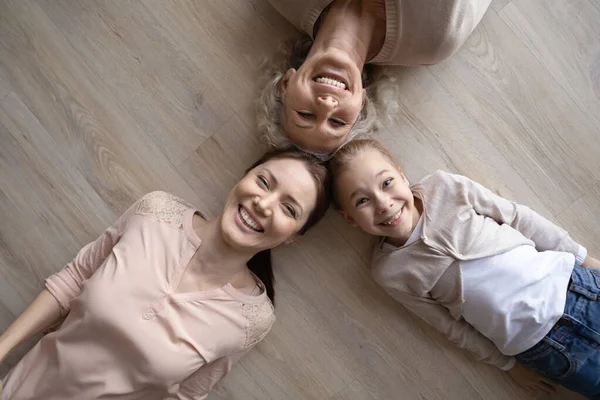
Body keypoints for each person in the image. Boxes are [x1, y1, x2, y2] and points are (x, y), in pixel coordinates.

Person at [0, 148, 332, 400]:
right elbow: (70, 282)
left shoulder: (253, 320)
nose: (263, 203)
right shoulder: (155, 212)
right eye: (263, 181)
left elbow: (186, 395)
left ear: (293, 236)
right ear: (244, 177)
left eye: (289, 208)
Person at [330, 139, 600, 398]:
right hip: (547, 348)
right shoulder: (390, 272)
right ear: (349, 218)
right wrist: (509, 366)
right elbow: (449, 327)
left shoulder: (444, 187)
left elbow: (519, 218)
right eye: (362, 201)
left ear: (402, 175)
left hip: (576, 287)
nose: (383, 203)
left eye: (386, 183)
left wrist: (583, 257)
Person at [257, 0, 491, 155]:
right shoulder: (435, 38)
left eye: (305, 114)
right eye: (337, 122)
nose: (327, 104)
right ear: (361, 105)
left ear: (285, 84)